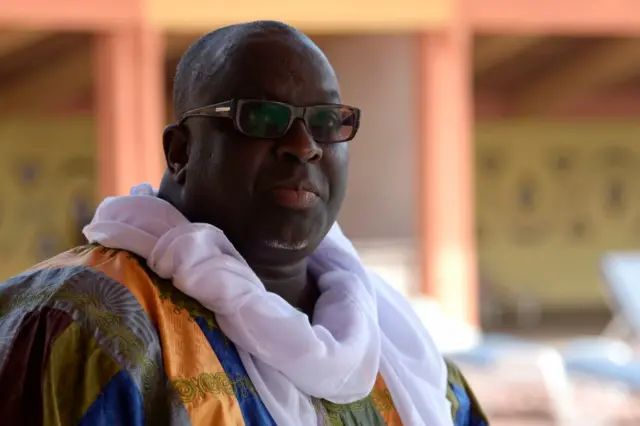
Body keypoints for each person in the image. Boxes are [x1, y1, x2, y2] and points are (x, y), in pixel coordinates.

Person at [0, 21, 488, 426]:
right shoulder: (82, 325)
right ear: (180, 151)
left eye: (325, 120)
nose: (304, 145)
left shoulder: (404, 351)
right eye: (261, 117)